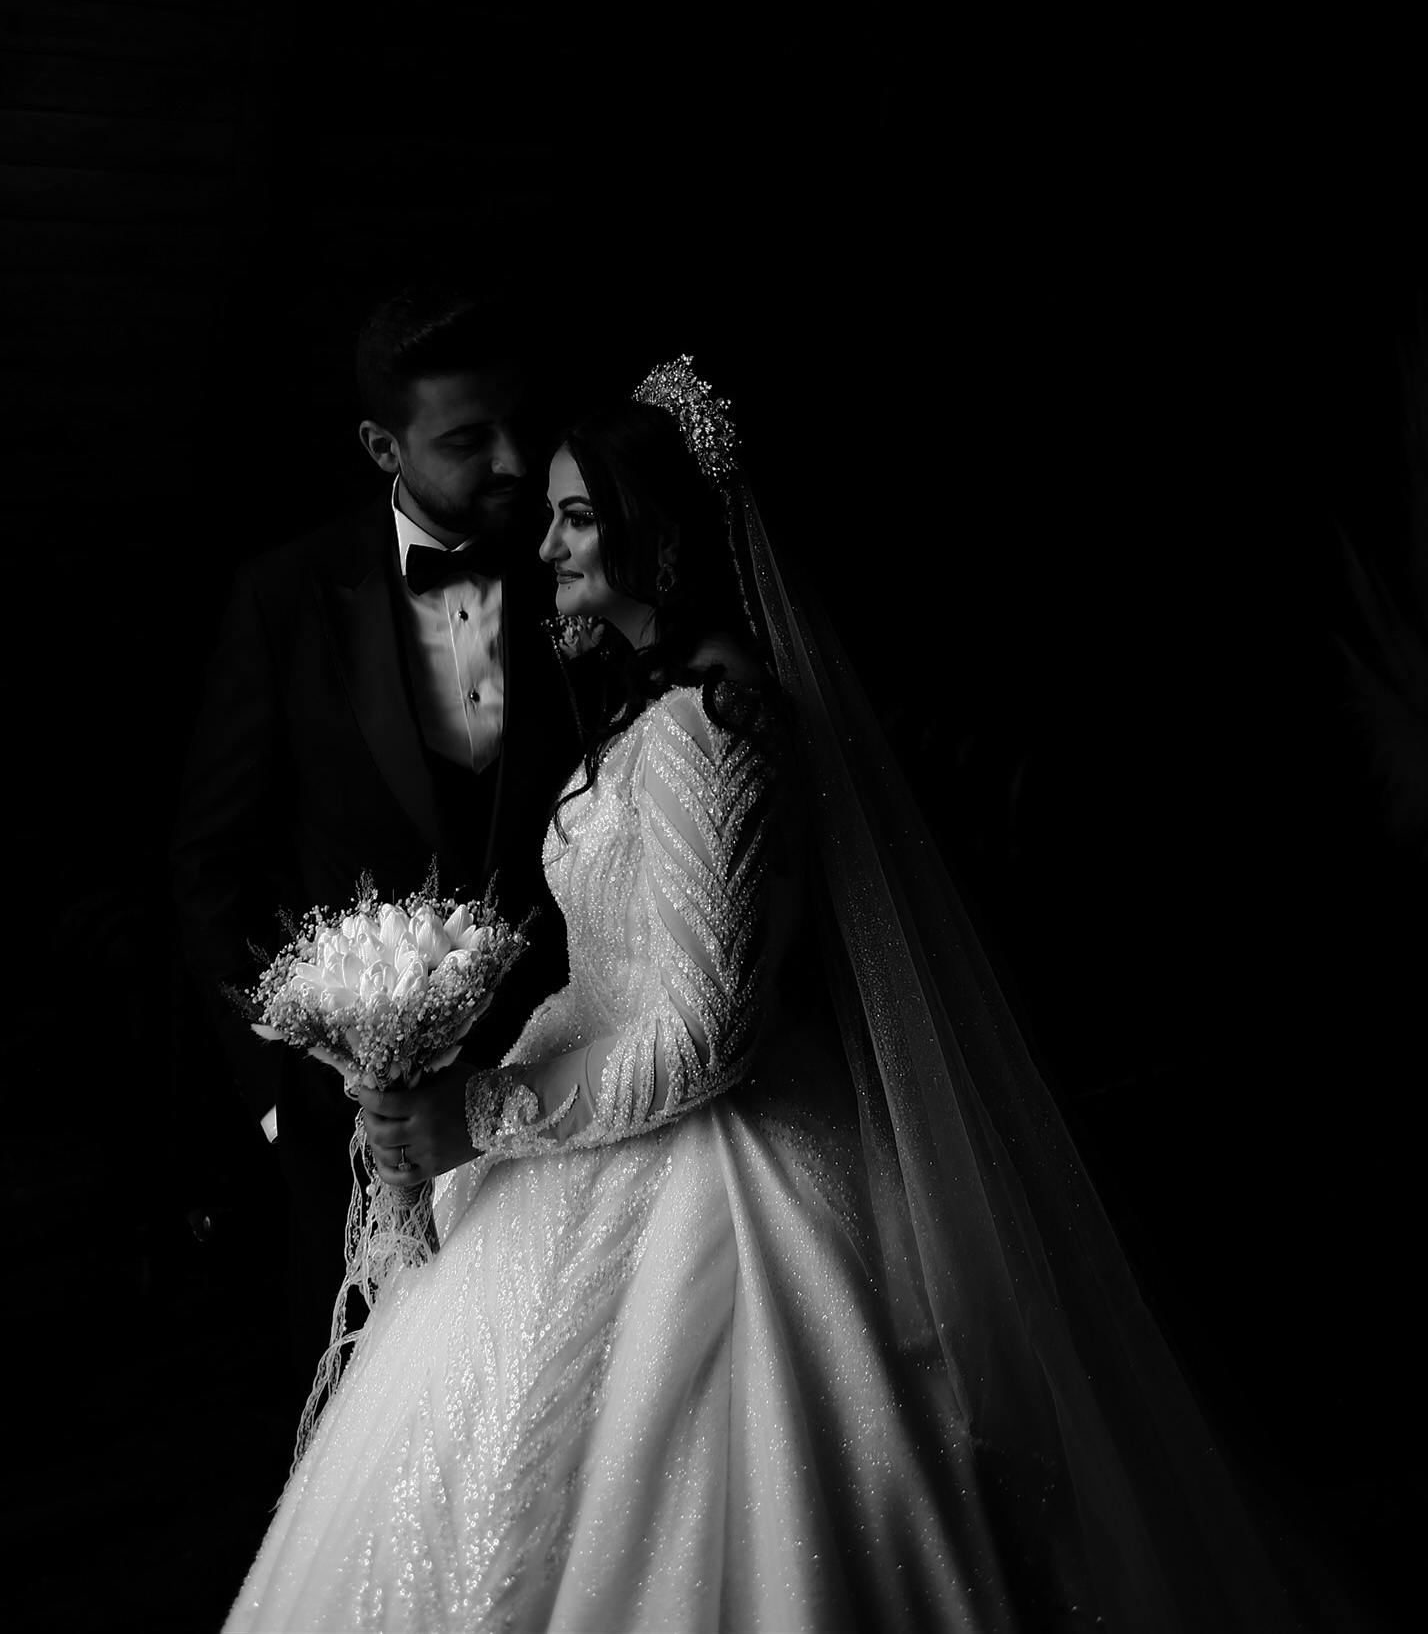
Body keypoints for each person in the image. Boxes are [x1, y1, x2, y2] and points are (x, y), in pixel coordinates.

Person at [217, 353, 1318, 1634]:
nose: (551, 549)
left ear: (659, 537)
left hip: (697, 1168)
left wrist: (488, 1114)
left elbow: (706, 1035)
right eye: (557, 517)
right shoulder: (665, 707)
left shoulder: (713, 728)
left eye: (581, 520)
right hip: (588, 1110)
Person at [170, 287, 581, 1382]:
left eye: (516, 425)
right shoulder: (286, 598)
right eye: (466, 440)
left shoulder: (577, 565)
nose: (512, 459)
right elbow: (212, 867)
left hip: (555, 1089)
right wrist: (280, 1102)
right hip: (353, 1126)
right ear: (379, 445)